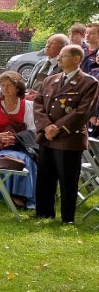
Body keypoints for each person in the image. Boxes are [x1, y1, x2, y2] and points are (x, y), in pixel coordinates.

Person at [34, 40, 99, 224]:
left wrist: (58, 128)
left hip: (69, 138)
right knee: (45, 177)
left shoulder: (89, 82)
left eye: (63, 56)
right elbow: (38, 104)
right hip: (47, 136)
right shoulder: (51, 79)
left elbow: (83, 111)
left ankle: (67, 218)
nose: (59, 59)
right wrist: (47, 126)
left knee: (68, 179)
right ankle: (44, 212)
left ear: (77, 59)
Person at [0, 71, 38, 209]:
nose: (5, 88)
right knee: (13, 158)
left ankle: (22, 195)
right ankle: (13, 194)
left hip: (17, 144)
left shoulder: (27, 106)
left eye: (9, 85)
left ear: (18, 88)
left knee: (29, 160)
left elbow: (32, 131)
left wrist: (15, 139)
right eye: (2, 85)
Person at [26, 32, 66, 97]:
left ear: (62, 48)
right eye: (47, 42)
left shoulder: (65, 68)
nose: (47, 45)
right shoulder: (40, 63)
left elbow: (62, 93)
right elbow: (29, 85)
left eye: (52, 43)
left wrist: (40, 96)